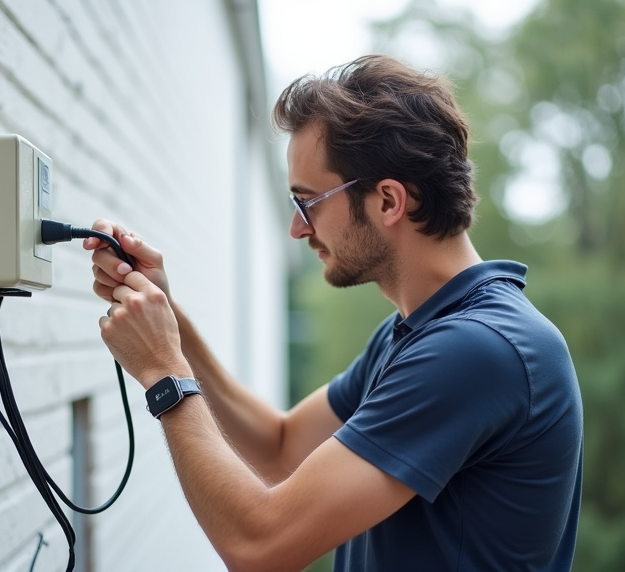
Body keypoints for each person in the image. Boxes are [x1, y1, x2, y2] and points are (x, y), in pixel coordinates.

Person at [84, 54, 583, 572]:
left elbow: (260, 545)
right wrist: (168, 321)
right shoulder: (416, 333)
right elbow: (279, 448)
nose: (298, 230)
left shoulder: (477, 350)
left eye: (307, 203)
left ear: (388, 201)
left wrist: (164, 373)